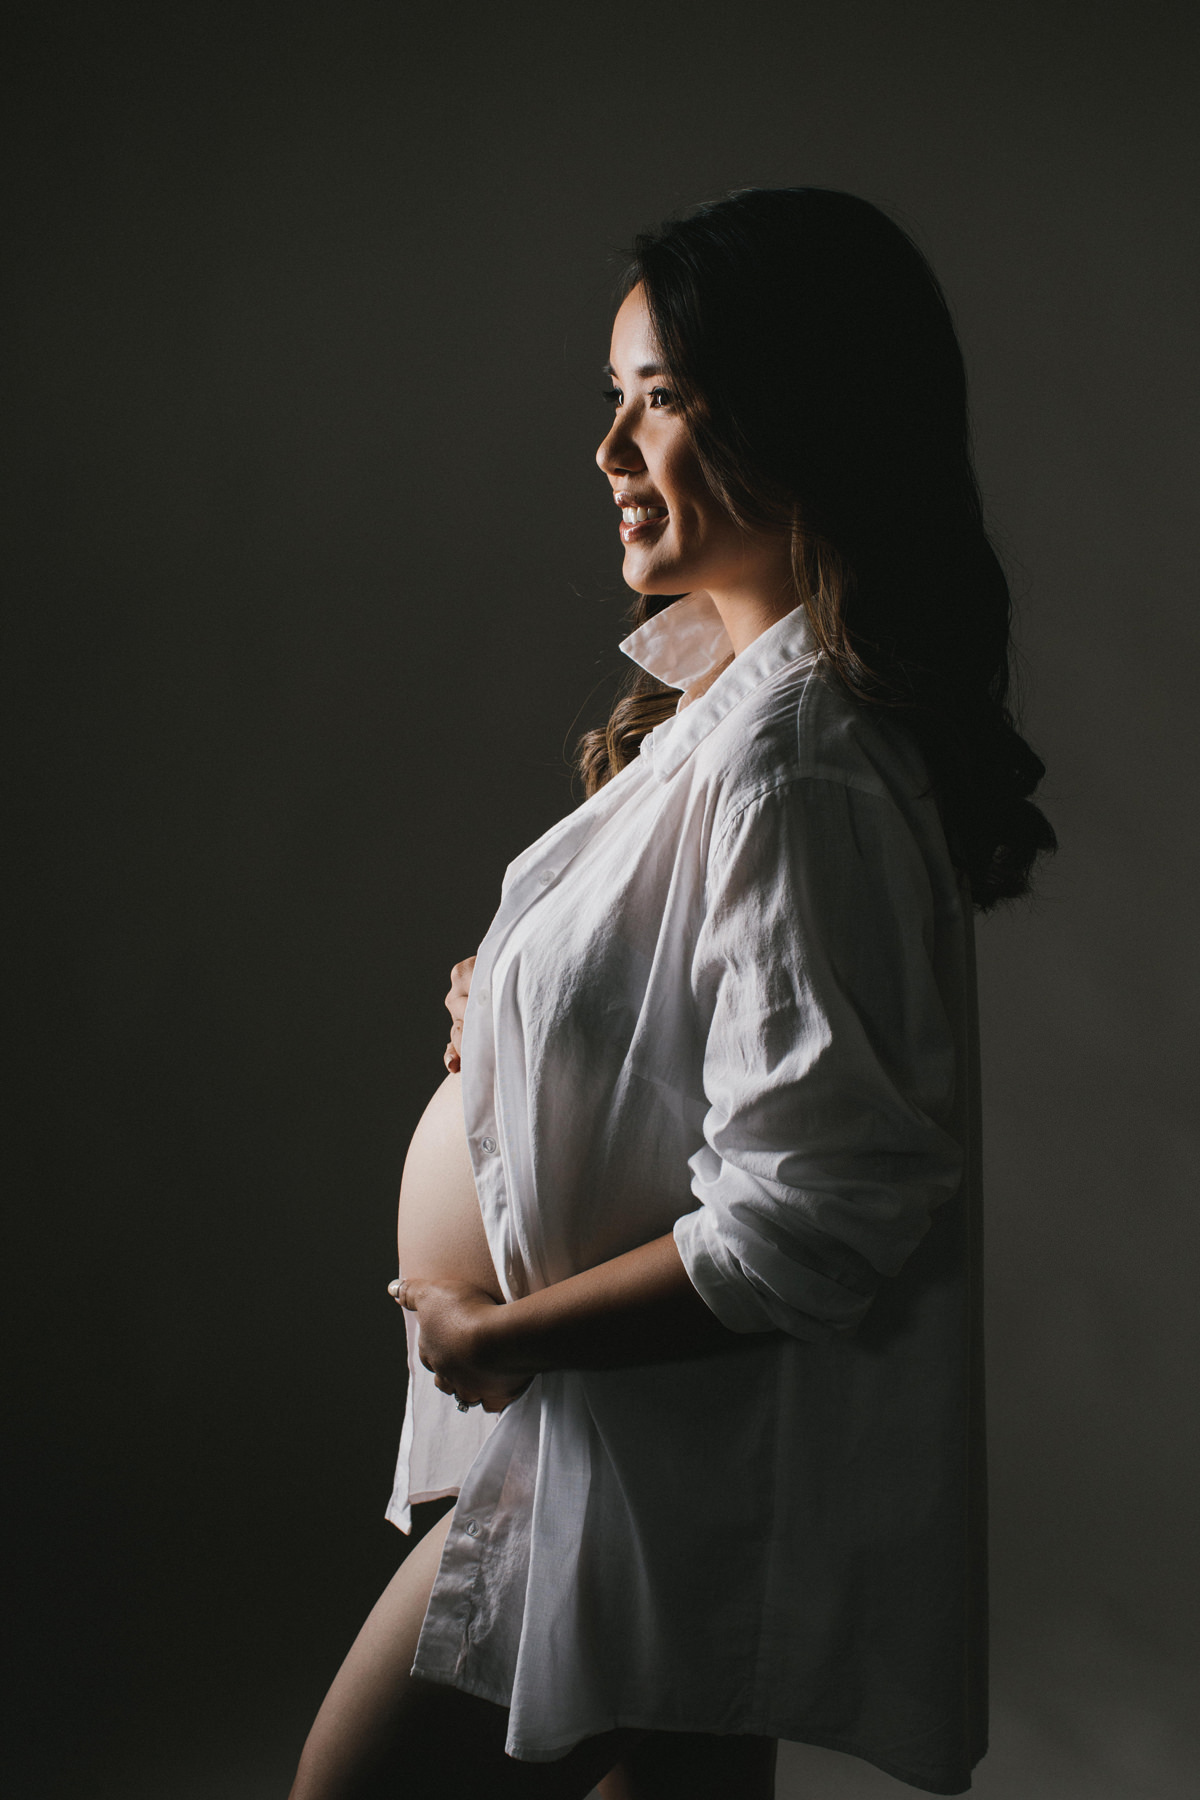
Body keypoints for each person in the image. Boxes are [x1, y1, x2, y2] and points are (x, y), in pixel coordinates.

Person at [288, 187, 1055, 1800]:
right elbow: (692, 1044)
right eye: (612, 400)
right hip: (637, 1480)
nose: (611, 452)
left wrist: (504, 1333)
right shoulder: (736, 714)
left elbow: (815, 1208)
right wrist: (513, 1017)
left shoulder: (798, 761)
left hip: (655, 1481)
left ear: (795, 419)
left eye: (662, 399)